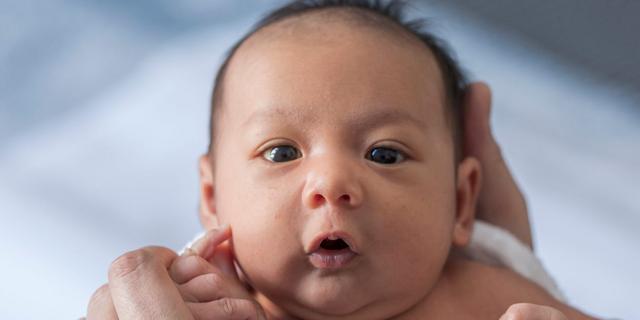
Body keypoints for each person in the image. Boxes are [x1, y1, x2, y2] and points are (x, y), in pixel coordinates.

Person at [86, 1, 598, 319]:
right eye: (282, 152)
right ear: (213, 198)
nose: (331, 183)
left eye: (385, 153)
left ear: (461, 205)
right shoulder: (208, 309)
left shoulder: (486, 297)